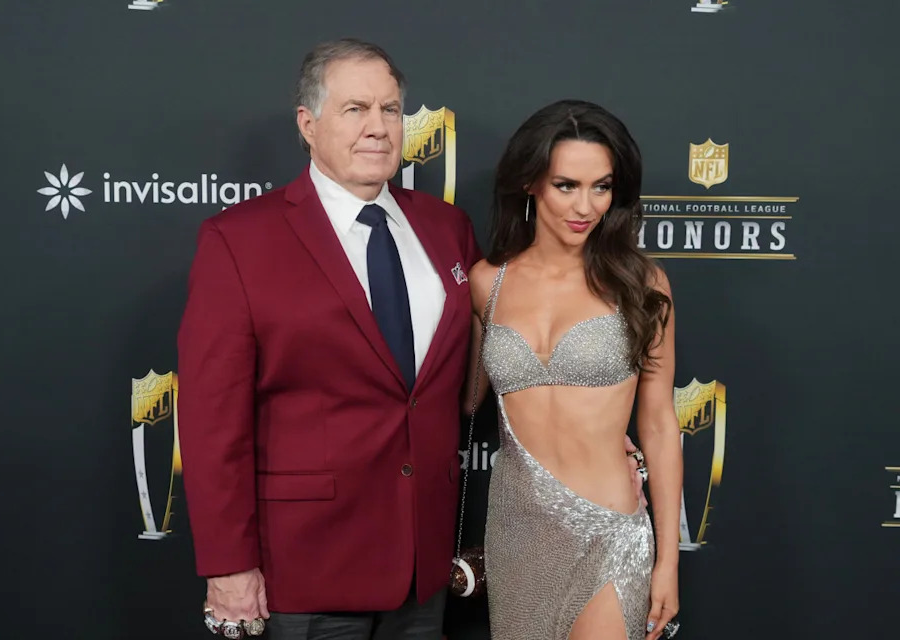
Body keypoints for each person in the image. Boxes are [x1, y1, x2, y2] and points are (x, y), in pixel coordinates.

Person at [177, 38, 480, 640]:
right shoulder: (239, 240)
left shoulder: (447, 229)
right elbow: (212, 421)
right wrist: (229, 566)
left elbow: (487, 368)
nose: (378, 127)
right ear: (308, 125)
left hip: (423, 571)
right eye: (355, 109)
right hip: (304, 570)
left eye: (390, 110)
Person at [464, 100, 683, 640]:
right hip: (517, 533)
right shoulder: (486, 283)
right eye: (567, 185)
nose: (585, 206)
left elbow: (657, 424)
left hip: (609, 528)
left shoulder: (641, 283)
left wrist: (668, 564)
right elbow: (467, 399)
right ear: (530, 185)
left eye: (601, 187)